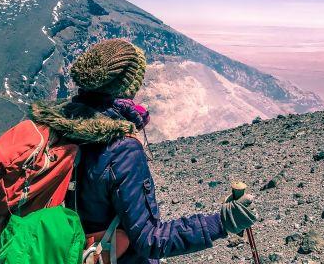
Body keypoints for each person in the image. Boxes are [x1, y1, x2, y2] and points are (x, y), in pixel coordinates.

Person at [30, 39, 257, 263]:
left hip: (72, 248)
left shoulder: (61, 127)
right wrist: (222, 222)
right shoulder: (122, 149)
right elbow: (150, 240)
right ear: (126, 87)